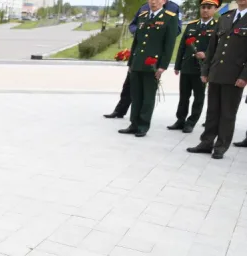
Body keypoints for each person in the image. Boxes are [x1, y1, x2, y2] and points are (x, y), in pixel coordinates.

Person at [188, 0, 247, 158]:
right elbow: (212, 46)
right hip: (216, 71)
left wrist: (244, 76)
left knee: (227, 113)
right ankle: (206, 142)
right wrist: (205, 70)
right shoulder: (225, 17)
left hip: (234, 75)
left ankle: (221, 146)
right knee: (212, 111)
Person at [104, 0, 181, 119]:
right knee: (129, 86)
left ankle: (142, 121)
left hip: (153, 56)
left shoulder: (173, 8)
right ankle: (121, 110)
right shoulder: (145, 7)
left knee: (147, 92)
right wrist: (139, 31)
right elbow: (134, 24)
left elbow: (176, 30)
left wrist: (156, 35)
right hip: (139, 56)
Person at [169, 0, 219, 134]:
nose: (205, 10)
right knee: (183, 96)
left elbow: (219, 48)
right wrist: (178, 65)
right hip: (187, 66)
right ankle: (180, 120)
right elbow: (182, 47)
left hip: (202, 69)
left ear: (215, 10)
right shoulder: (191, 25)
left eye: (209, 8)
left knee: (198, 97)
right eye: (203, 7)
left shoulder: (217, 26)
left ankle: (191, 122)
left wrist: (206, 55)